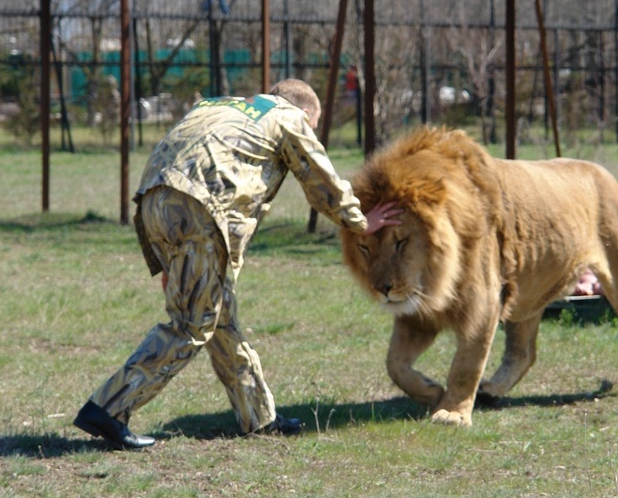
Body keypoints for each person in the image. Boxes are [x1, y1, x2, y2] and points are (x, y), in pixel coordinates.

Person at [73, 78, 402, 449]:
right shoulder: (287, 115)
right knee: (191, 325)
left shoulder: (214, 105)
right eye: (313, 125)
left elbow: (178, 157)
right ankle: (108, 407)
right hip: (202, 209)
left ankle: (258, 417)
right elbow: (319, 175)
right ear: (306, 113)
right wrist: (361, 222)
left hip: (156, 200)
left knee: (220, 316)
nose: (310, 130)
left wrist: (169, 256)